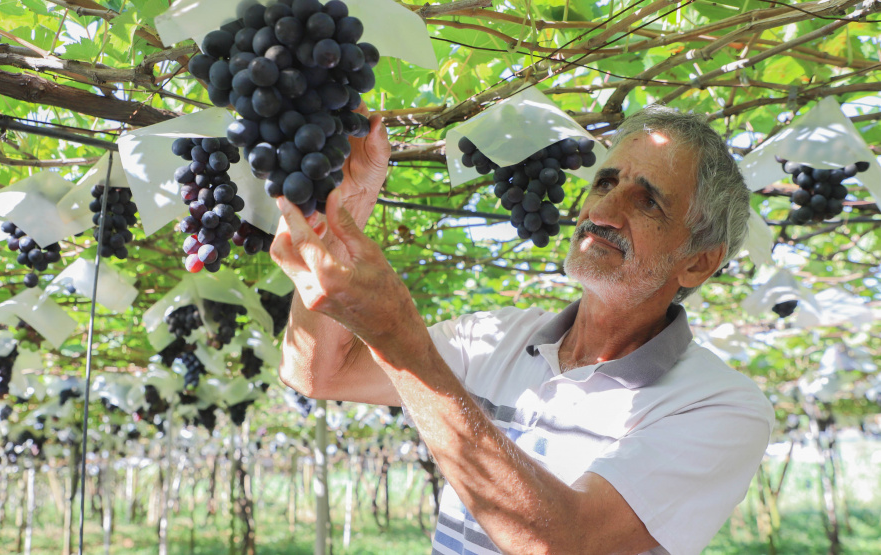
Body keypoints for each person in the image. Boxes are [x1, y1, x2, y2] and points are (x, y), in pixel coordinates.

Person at [270, 104, 775, 555]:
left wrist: (401, 337)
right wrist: (348, 206)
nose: (603, 211)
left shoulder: (721, 406)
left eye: (648, 202)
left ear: (697, 264)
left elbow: (560, 543)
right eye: (605, 182)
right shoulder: (496, 336)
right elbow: (317, 371)